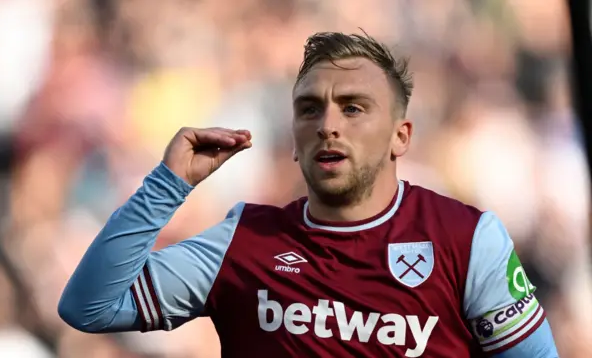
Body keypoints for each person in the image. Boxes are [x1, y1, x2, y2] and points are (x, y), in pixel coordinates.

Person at [58, 32, 559, 357]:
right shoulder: (243, 242)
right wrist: (167, 186)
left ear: (400, 136)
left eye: (354, 108)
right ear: (293, 140)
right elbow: (89, 306)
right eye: (309, 110)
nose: (327, 126)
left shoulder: (468, 240)